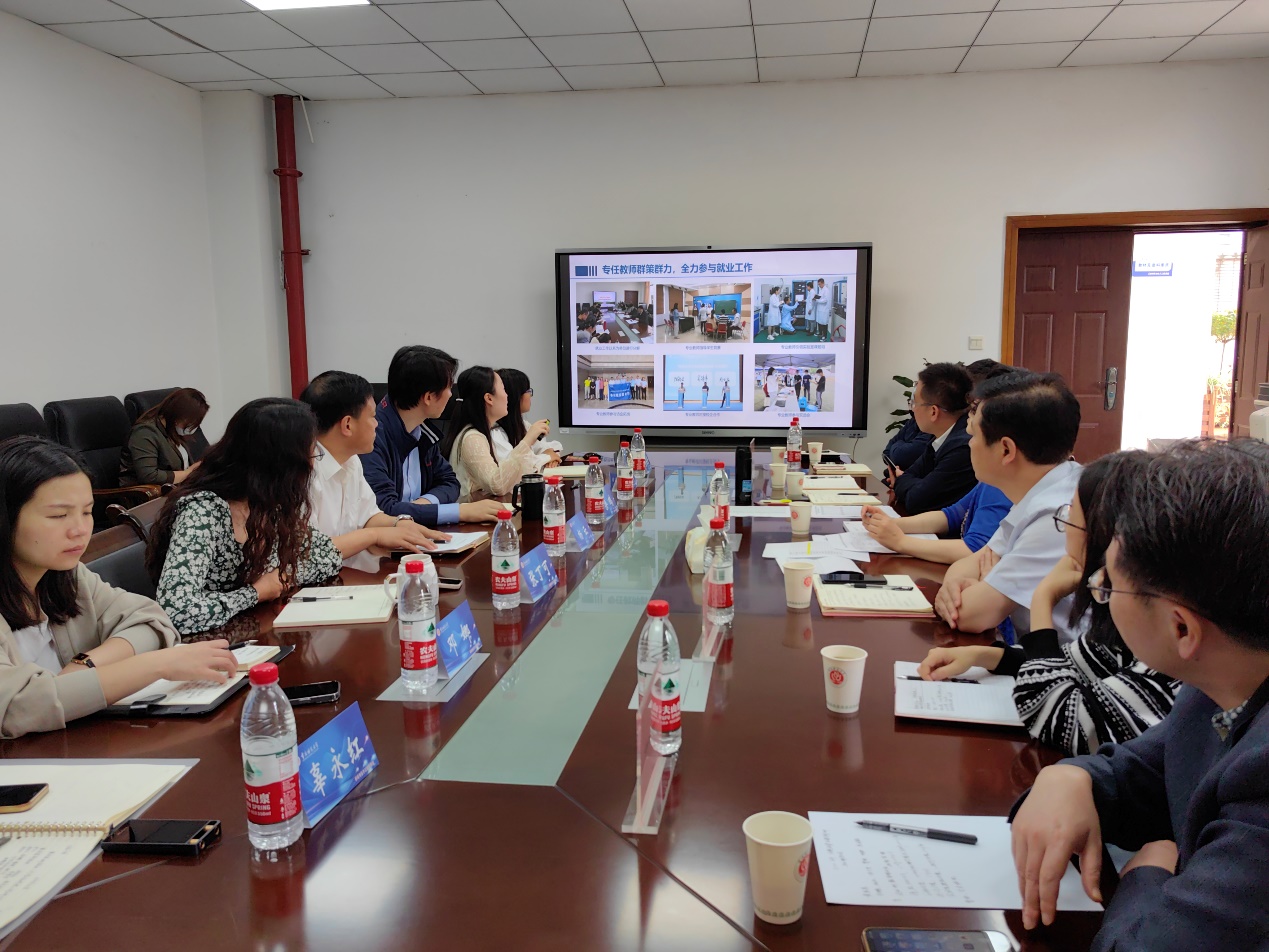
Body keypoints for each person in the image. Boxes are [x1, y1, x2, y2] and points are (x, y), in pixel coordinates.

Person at [1009, 439, 1269, 950]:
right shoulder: (1217, 685)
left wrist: (1148, 872)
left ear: (1181, 629)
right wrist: (1070, 776)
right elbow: (1144, 774)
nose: (1097, 591)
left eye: (1108, 583)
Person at [918, 452, 1179, 755]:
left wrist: (1043, 597)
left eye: (1070, 516)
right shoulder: (1120, 614)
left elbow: (1055, 714)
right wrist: (982, 655)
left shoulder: (1161, 651)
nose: (1063, 526)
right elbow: (1077, 663)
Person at [0, 437, 236, 738]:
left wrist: (85, 665)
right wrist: (153, 666)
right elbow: (15, 708)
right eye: (58, 515)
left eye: (87, 512)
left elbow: (150, 620)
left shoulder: (67, 576)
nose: (79, 530)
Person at [146, 398, 344, 637]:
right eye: (309, 457)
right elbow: (176, 611)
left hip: (255, 631)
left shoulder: (269, 503)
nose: (311, 468)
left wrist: (280, 577)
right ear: (280, 463)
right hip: (207, 645)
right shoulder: (203, 511)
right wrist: (255, 593)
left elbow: (328, 555)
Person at [934, 371, 1083, 641]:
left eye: (973, 435)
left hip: (1059, 663)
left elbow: (969, 615)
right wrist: (961, 582)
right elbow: (968, 564)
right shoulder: (1044, 487)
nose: (969, 444)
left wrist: (982, 583)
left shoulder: (1059, 515)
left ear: (1006, 450)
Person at [300, 371, 451, 573]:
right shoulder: (302, 475)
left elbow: (369, 516)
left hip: (356, 577)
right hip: (324, 585)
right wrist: (375, 535)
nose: (377, 423)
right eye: (372, 416)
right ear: (347, 425)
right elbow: (309, 553)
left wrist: (399, 523)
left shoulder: (351, 461)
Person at [361, 346, 502, 528]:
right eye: (449, 387)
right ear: (428, 397)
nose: (451, 394)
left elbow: (450, 482)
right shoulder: (370, 436)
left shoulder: (422, 430)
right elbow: (384, 510)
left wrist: (422, 506)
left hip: (418, 533)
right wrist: (458, 512)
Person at [442, 367, 551, 503]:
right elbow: (497, 485)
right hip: (474, 513)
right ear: (489, 398)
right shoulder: (472, 438)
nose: (507, 396)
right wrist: (527, 440)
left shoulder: (481, 433)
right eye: (503, 390)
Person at [890, 362, 977, 514]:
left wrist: (905, 481)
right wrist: (914, 482)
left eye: (914, 403)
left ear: (933, 412)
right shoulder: (941, 438)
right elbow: (911, 474)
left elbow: (916, 500)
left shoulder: (962, 447)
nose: (913, 409)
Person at [863, 478, 1012, 565]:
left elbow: (974, 550)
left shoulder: (1001, 487)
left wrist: (900, 542)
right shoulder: (989, 482)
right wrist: (892, 523)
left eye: (975, 438)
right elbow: (951, 516)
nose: (970, 443)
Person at [119, 387, 209, 486]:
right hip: (151, 493)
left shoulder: (173, 430)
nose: (192, 428)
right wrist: (188, 474)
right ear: (177, 416)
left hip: (178, 488)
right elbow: (149, 476)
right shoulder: (145, 433)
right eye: (190, 423)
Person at [498, 368, 562, 471]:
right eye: (528, 391)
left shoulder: (523, 424)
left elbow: (544, 447)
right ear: (515, 395)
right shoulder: (496, 432)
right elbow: (513, 467)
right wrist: (547, 457)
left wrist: (550, 454)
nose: (530, 395)